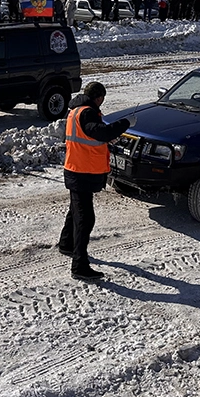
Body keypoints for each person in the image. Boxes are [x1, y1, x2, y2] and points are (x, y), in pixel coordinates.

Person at [57, 81, 133, 281]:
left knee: (76, 209)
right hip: (82, 172)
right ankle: (79, 266)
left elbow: (89, 136)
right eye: (102, 99)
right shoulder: (88, 112)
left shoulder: (75, 111)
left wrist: (104, 138)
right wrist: (124, 123)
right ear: (98, 97)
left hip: (74, 168)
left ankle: (66, 243)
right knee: (86, 219)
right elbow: (100, 132)